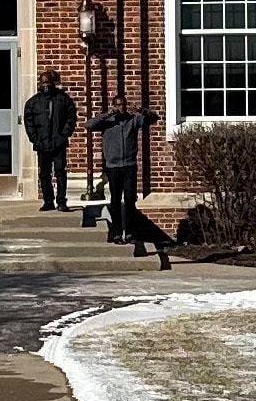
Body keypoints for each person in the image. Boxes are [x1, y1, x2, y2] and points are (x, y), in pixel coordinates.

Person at [96, 105, 169, 270]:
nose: (119, 109)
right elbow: (89, 125)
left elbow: (153, 119)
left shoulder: (133, 121)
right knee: (115, 200)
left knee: (129, 199)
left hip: (129, 165)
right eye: (117, 105)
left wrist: (141, 110)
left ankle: (129, 232)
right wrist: (107, 115)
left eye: (122, 105)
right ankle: (116, 232)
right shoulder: (107, 122)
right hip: (113, 166)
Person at [22, 68, 79, 210]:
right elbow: (29, 123)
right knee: (44, 173)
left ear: (53, 83)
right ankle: (48, 201)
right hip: (42, 143)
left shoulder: (63, 99)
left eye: (48, 82)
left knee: (60, 172)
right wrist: (35, 139)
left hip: (58, 143)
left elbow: (71, 118)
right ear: (40, 84)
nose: (46, 85)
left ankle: (61, 201)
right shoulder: (33, 102)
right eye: (43, 83)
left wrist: (63, 135)